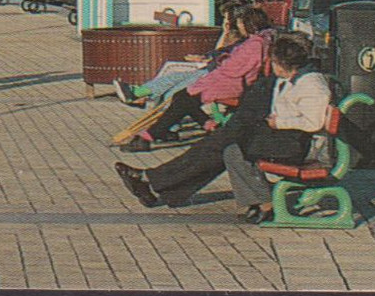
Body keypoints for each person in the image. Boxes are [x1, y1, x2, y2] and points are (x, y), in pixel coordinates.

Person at [114, 36, 334, 222]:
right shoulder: (294, 78)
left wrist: (279, 122)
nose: (272, 66)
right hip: (285, 138)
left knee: (225, 144)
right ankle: (157, 184)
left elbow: (313, 122)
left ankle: (152, 181)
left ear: (283, 62)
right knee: (224, 145)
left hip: (297, 146)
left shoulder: (311, 84)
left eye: (274, 62)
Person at [119, 6, 275, 150]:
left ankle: (150, 136)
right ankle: (206, 125)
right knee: (183, 98)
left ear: (249, 24)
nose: (239, 27)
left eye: (241, 23)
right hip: (232, 81)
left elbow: (234, 69)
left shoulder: (254, 44)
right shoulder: (260, 41)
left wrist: (221, 61)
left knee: (184, 98)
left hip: (233, 83)